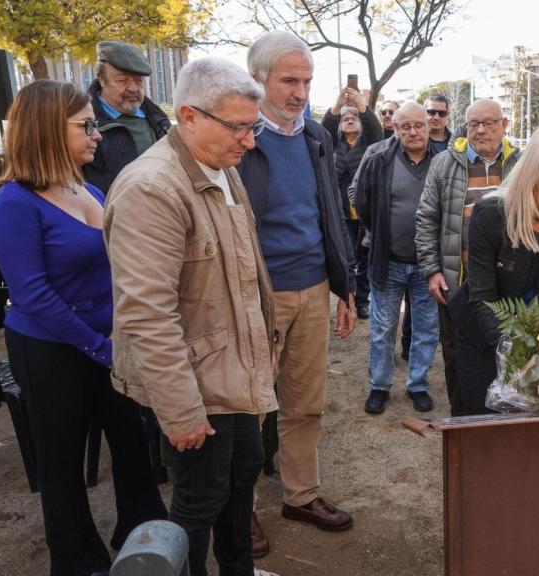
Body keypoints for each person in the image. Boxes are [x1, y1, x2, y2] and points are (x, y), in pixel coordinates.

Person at [105, 57, 279, 576]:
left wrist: (261, 356)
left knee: (241, 479)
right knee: (199, 502)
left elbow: (242, 276)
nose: (250, 141)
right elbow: (147, 314)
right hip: (198, 383)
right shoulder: (152, 188)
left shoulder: (220, 166)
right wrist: (181, 412)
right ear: (189, 116)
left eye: (255, 126)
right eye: (240, 127)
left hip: (236, 371)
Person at [0, 79, 167, 576]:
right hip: (51, 350)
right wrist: (98, 346)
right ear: (47, 128)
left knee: (132, 441)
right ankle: (77, 560)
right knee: (61, 462)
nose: (97, 135)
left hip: (108, 343)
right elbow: (33, 296)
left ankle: (144, 532)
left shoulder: (87, 187)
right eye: (86, 125)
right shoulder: (14, 203)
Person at [238, 30, 358, 555]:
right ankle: (237, 511)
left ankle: (300, 495)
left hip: (312, 287)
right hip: (257, 295)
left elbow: (329, 214)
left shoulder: (315, 136)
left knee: (305, 404)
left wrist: (343, 288)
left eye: (307, 81)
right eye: (289, 80)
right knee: (246, 407)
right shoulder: (238, 138)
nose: (301, 91)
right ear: (258, 78)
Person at [451, 122, 539, 415]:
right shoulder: (490, 215)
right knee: (480, 416)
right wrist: (514, 352)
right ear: (531, 175)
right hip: (481, 333)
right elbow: (483, 296)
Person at [416, 99, 521, 416]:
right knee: (456, 358)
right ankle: (462, 422)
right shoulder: (446, 164)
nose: (480, 130)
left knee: (509, 354)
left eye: (489, 123)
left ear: (504, 125)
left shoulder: (522, 165)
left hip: (510, 287)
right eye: (474, 123)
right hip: (457, 283)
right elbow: (426, 219)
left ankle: (507, 423)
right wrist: (432, 270)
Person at [353, 102, 439, 414]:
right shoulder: (378, 158)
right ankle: (379, 385)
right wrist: (378, 231)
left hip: (428, 266)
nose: (413, 132)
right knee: (382, 328)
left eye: (419, 125)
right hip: (387, 260)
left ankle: (417, 384)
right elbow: (359, 197)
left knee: (426, 329)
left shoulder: (442, 161)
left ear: (428, 126)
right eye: (406, 127)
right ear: (395, 128)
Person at [323, 88, 382, 319]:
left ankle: (362, 299)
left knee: (365, 256)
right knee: (345, 256)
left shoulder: (370, 143)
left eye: (354, 117)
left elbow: (376, 130)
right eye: (345, 118)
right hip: (341, 212)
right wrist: (337, 107)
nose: (349, 119)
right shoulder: (332, 144)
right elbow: (325, 128)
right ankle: (345, 297)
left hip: (365, 210)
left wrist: (362, 107)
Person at [83, 41, 171, 194]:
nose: (132, 88)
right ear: (101, 79)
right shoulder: (83, 125)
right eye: (122, 81)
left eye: (138, 81)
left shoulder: (159, 121)